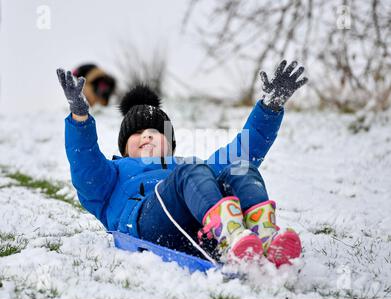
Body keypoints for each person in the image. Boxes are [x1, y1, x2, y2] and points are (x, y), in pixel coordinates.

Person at [56, 60, 308, 267]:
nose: (146, 135)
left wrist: (269, 108)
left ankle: (264, 235)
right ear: (124, 149)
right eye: (137, 133)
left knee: (240, 168)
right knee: (192, 172)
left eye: (155, 132)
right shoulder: (113, 174)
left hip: (195, 216)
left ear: (170, 145)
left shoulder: (187, 167)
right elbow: (85, 163)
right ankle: (230, 234)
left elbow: (243, 151)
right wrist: (80, 118)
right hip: (146, 222)